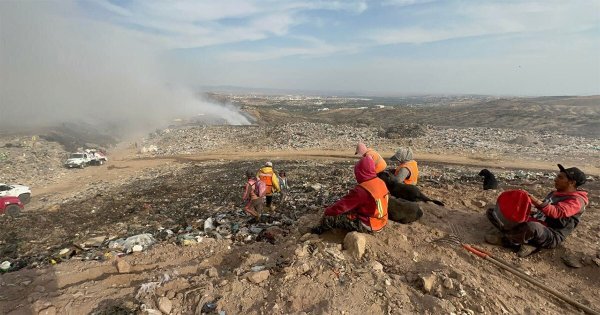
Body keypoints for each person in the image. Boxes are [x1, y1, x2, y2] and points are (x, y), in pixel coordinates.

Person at [486, 164, 589, 257]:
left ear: (571, 182)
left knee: (532, 227)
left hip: (550, 233)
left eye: (560, 177)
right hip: (537, 221)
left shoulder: (577, 201)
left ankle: (507, 241)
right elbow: (541, 211)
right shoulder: (555, 193)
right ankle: (521, 239)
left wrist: (533, 199)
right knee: (493, 212)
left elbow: (557, 212)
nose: (555, 179)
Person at [311, 156, 389, 234]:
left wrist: (328, 211)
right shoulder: (380, 182)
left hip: (369, 225)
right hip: (382, 221)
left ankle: (316, 233)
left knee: (330, 218)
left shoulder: (362, 190)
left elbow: (342, 206)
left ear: (361, 172)